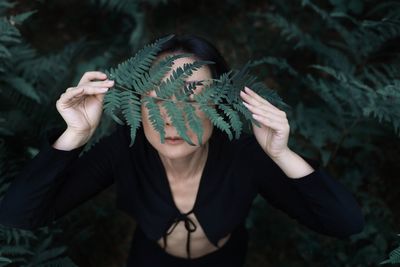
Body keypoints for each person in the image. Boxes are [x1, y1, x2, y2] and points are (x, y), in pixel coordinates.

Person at [0, 34, 364, 267]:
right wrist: (74, 136)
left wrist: (282, 155)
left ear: (220, 104)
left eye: (192, 96)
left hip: (226, 259)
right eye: (156, 98)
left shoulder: (246, 154)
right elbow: (19, 215)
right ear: (137, 108)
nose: (172, 118)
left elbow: (345, 222)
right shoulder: (124, 149)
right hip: (147, 259)